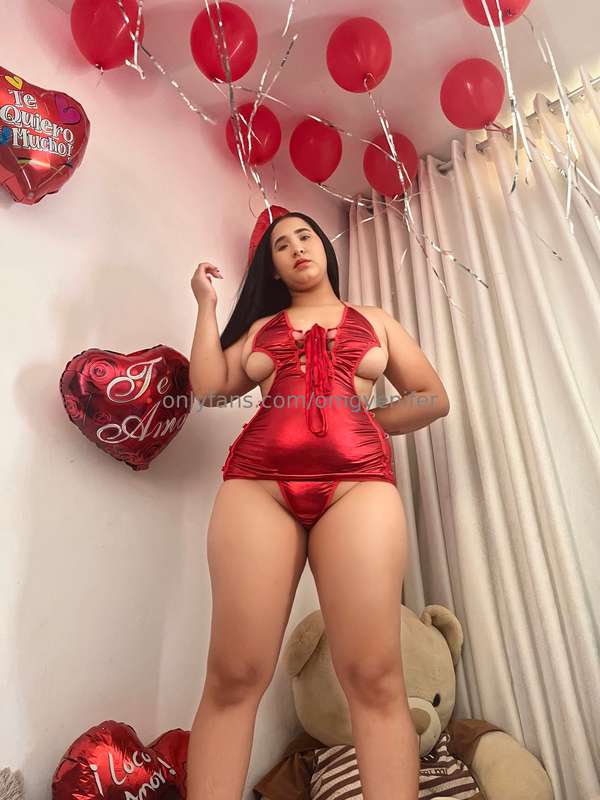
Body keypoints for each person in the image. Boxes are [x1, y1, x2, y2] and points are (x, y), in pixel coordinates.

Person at [186, 211, 450, 800]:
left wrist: (367, 422)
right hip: (258, 487)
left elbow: (431, 397)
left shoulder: (376, 321)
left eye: (305, 236)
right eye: (280, 246)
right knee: (233, 675)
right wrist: (205, 305)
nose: (296, 248)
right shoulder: (262, 328)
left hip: (359, 487)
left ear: (325, 249)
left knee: (374, 676)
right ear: (273, 269)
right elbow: (208, 389)